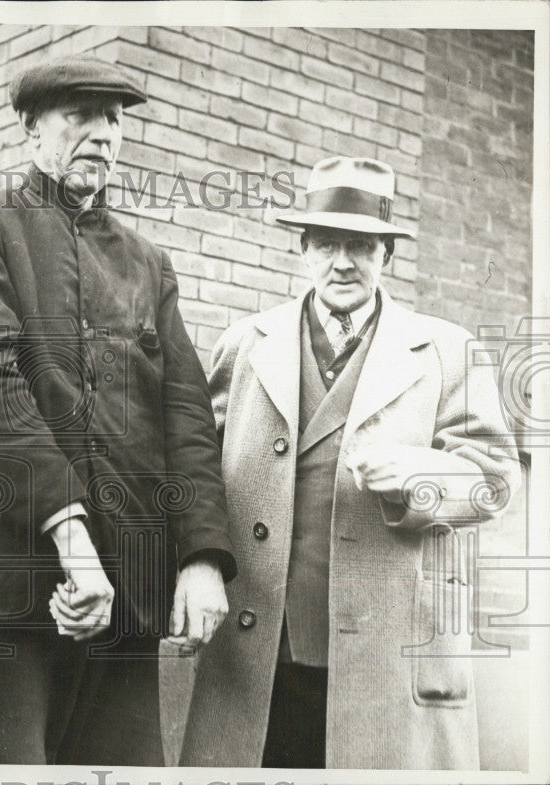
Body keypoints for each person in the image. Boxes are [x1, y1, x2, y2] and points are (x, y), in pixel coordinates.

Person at [0, 57, 236, 766]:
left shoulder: (150, 264)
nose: (100, 132)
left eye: (113, 119)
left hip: (128, 598)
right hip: (6, 591)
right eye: (78, 115)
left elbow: (186, 417)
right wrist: (71, 532)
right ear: (31, 129)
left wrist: (203, 557)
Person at [179, 156, 521, 769]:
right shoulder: (245, 343)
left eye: (361, 245)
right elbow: (196, 470)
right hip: (261, 653)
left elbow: (495, 479)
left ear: (385, 254)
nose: (343, 262)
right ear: (304, 248)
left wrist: (422, 476)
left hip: (388, 659)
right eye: (328, 243)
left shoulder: (446, 351)